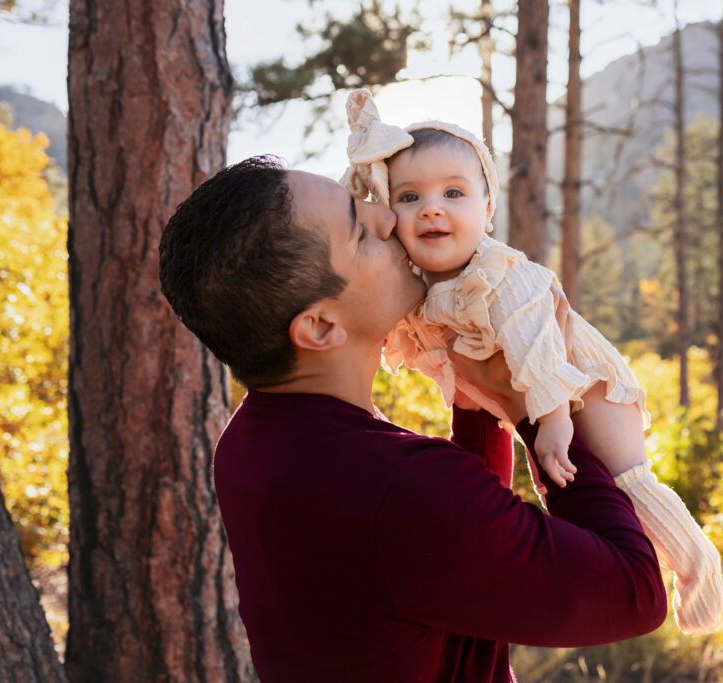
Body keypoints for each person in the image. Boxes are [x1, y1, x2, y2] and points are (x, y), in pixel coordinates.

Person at [158, 155, 667, 681]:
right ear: (319, 325)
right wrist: (534, 407)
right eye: (360, 233)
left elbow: (456, 556)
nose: (386, 218)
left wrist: (476, 404)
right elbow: (636, 593)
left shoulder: (250, 444)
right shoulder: (398, 489)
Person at [340, 89, 723, 635]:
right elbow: (467, 383)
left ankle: (696, 570)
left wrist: (553, 420)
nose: (432, 208)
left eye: (454, 192)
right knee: (564, 488)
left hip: (583, 388)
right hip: (534, 400)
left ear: (487, 208)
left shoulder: (500, 272)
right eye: (409, 197)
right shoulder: (426, 289)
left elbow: (539, 345)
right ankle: (669, 566)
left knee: (628, 482)